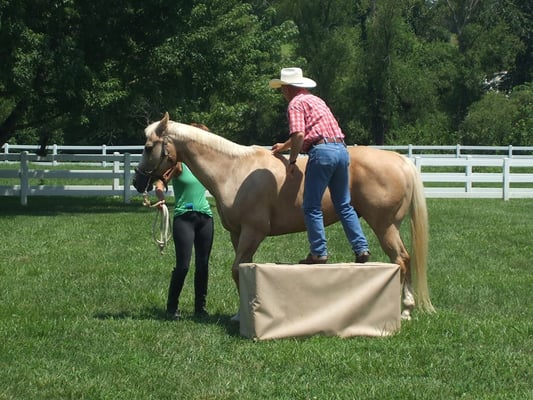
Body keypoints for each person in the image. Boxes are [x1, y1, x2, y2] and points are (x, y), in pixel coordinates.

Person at [270, 67, 370, 264]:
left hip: (322, 153)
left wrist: (291, 160)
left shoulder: (295, 104)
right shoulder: (316, 100)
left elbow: (299, 134)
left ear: (287, 88)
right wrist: (284, 145)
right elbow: (311, 131)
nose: (282, 92)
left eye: (282, 88)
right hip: (341, 149)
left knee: (311, 205)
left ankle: (318, 252)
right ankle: (361, 248)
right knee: (343, 204)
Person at [154, 123, 214, 320]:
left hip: (205, 217)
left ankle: (200, 308)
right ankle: (171, 308)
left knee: (203, 265)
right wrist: (160, 196)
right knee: (183, 265)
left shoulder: (205, 165)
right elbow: (160, 181)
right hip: (184, 218)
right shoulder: (178, 164)